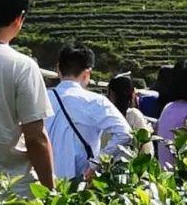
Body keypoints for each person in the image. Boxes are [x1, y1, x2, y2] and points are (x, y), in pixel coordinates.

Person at [0, 0, 56, 197]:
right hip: (12, 191)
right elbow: (36, 138)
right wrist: (50, 191)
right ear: (19, 19)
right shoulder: (22, 66)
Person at [45, 44, 134, 180]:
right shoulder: (96, 101)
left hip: (43, 182)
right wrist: (96, 165)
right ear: (87, 74)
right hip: (82, 182)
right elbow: (125, 133)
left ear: (58, 69)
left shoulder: (41, 98)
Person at [107, 73, 154, 157]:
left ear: (111, 94)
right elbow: (147, 152)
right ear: (132, 94)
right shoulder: (133, 115)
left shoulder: (104, 115)